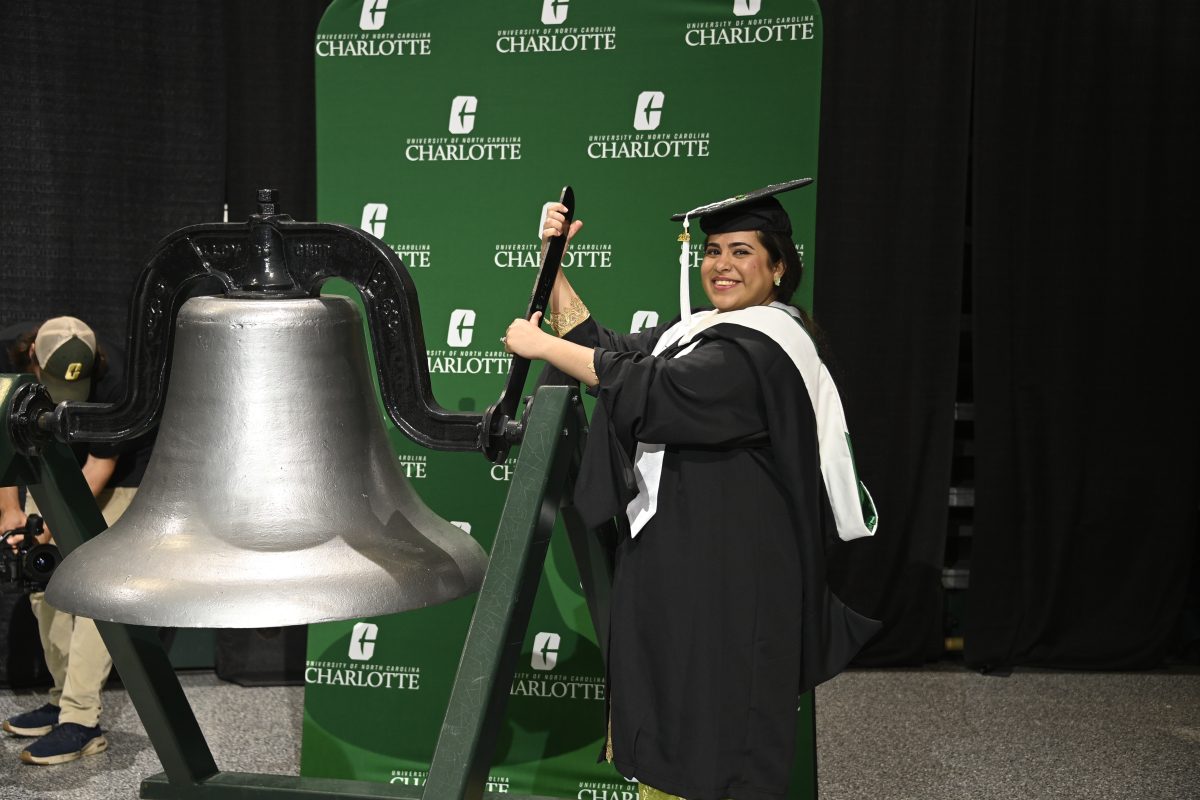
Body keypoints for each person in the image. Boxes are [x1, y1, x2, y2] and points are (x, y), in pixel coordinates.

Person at [502, 181, 880, 800]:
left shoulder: (765, 349)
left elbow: (653, 390)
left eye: (741, 252)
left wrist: (539, 346)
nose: (721, 266)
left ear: (779, 267)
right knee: (674, 704)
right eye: (712, 252)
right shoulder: (703, 332)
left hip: (732, 575)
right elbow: (608, 351)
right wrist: (555, 266)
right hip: (684, 562)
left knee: (717, 724)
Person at [1, 316, 155, 766]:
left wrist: (46, 525)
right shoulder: (6, 360)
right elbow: (1, 444)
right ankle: (62, 699)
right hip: (48, 468)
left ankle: (82, 721)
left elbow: (100, 468)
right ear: (32, 357)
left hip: (120, 477)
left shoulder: (116, 379)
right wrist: (12, 513)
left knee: (94, 595)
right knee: (41, 583)